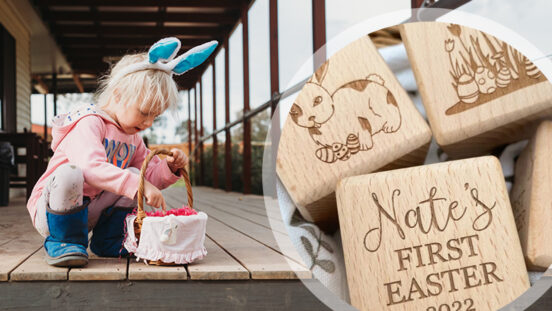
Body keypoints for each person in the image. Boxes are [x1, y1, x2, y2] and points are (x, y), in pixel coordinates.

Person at [26, 38, 217, 267]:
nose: (148, 123)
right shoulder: (88, 122)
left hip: (89, 213)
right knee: (71, 172)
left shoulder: (133, 137)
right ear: (117, 95)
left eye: (155, 117)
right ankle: (64, 242)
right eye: (144, 112)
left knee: (135, 172)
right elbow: (90, 167)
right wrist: (138, 184)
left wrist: (169, 168)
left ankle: (109, 240)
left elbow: (145, 176)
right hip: (53, 211)